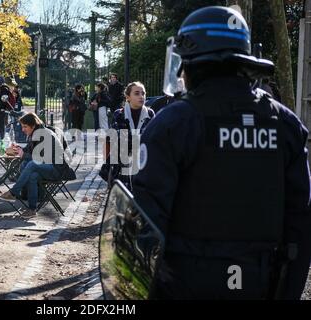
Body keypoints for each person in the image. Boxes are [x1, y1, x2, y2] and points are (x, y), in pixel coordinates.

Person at [131, 6, 311, 300]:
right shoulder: (287, 125)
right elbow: (300, 225)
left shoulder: (173, 124)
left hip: (184, 286)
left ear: (190, 64)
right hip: (262, 285)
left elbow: (147, 223)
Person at [0, 112, 71, 217]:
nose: (23, 129)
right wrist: (18, 148)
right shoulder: (36, 133)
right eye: (22, 126)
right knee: (33, 176)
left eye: (25, 126)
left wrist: (23, 154)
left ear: (33, 125)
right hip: (48, 167)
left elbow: (39, 159)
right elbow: (30, 151)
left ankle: (13, 193)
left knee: (31, 164)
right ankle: (32, 209)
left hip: (57, 169)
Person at [101, 82, 155, 190]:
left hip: (143, 164)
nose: (141, 96)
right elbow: (113, 140)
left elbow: (154, 141)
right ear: (128, 97)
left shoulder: (150, 114)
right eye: (137, 93)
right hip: (122, 165)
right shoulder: (119, 114)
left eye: (143, 93)